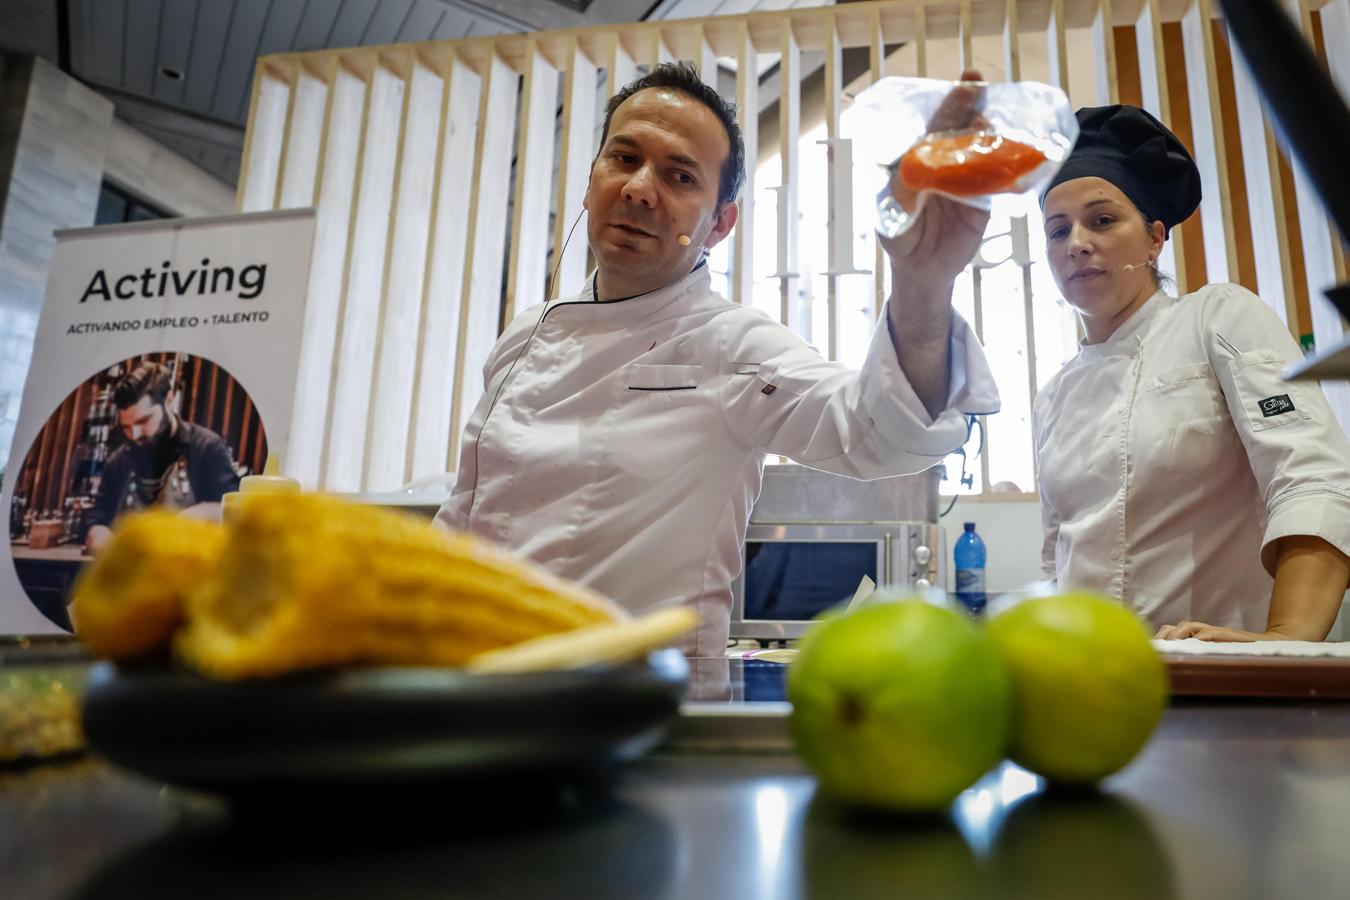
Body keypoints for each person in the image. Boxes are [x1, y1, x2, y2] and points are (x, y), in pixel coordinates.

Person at [436, 63, 1000, 655]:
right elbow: (461, 519)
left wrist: (922, 282)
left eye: (679, 176)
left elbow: (881, 431)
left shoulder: (733, 347)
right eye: (624, 159)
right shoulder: (524, 337)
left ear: (720, 224)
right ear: (591, 179)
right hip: (473, 674)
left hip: (638, 695)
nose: (638, 188)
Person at [1033, 104, 1350, 642]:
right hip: (1093, 671)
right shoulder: (1053, 396)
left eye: (1102, 220)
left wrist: (1285, 639)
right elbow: (1055, 558)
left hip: (1222, 668)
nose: (1076, 243)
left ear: (1155, 238)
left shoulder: (1216, 316)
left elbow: (1311, 474)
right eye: (1057, 230)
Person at [84, 362, 240, 554]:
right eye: (126, 427)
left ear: (168, 400)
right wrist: (101, 539)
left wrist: (179, 522)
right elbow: (97, 522)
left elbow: (231, 510)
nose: (135, 435)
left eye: (144, 420)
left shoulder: (206, 447)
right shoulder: (118, 461)